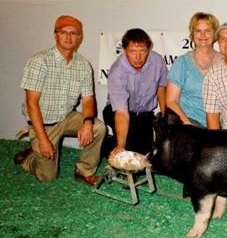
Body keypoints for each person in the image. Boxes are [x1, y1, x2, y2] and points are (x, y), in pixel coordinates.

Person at [14, 15, 106, 186]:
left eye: (74, 33)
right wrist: (42, 140)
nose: (69, 37)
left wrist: (87, 123)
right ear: (55, 35)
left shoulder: (84, 65)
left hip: (66, 117)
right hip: (43, 123)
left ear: (80, 38)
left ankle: (84, 171)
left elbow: (88, 99)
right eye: (63, 32)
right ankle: (29, 157)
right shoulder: (39, 61)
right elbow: (31, 104)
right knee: (47, 177)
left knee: (98, 127)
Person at [102, 28, 168, 156]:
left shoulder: (157, 61)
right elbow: (121, 112)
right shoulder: (117, 71)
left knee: (146, 154)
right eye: (133, 51)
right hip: (118, 112)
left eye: (142, 51)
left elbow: (161, 87)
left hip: (144, 114)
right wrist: (121, 145)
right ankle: (107, 145)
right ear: (124, 51)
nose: (138, 57)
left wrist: (165, 115)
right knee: (129, 151)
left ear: (149, 49)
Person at [166, 12, 221, 127]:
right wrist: (188, 125)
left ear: (215, 33)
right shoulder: (182, 63)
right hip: (189, 125)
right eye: (198, 31)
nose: (203, 35)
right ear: (192, 34)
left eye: (207, 30)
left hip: (219, 127)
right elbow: (171, 101)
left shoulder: (224, 61)